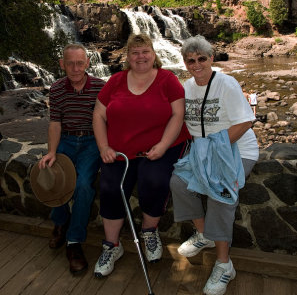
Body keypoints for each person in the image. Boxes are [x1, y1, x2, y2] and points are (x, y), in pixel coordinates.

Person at [92, 33, 190, 277]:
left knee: (154, 180)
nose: (140, 56)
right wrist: (103, 147)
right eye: (135, 52)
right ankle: (112, 246)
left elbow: (178, 115)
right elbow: (98, 115)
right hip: (120, 150)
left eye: (145, 51)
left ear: (154, 54)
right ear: (127, 57)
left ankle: (149, 232)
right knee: (111, 187)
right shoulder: (115, 81)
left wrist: (164, 145)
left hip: (160, 146)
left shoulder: (168, 79)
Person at [170, 35, 259, 295]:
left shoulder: (226, 84)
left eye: (201, 59)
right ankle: (205, 234)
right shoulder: (186, 87)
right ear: (185, 63)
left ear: (211, 58)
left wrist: (213, 149)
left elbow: (245, 122)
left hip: (236, 149)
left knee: (221, 191)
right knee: (179, 183)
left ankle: (224, 265)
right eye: (190, 60)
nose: (196, 64)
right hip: (204, 152)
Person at [39, 43, 105, 274]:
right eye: (70, 63)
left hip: (91, 143)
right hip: (66, 139)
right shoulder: (56, 88)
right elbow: (55, 123)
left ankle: (74, 242)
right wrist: (51, 152)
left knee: (83, 185)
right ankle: (60, 220)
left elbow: (109, 120)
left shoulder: (100, 87)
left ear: (87, 63)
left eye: (80, 63)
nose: (75, 68)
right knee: (52, 175)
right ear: (62, 64)